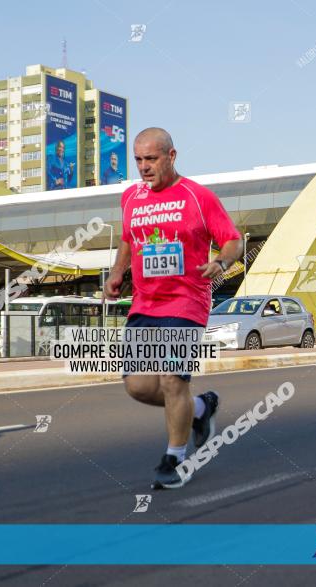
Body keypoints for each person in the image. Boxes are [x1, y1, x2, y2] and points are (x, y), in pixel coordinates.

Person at [105, 128, 242, 489]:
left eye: (151, 159)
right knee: (138, 386)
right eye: (138, 159)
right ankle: (200, 409)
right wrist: (118, 274)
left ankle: (174, 460)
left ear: (171, 155)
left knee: (171, 379)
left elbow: (233, 240)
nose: (144, 167)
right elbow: (127, 240)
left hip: (186, 301)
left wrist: (221, 262)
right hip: (145, 303)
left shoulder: (198, 197)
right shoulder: (131, 197)